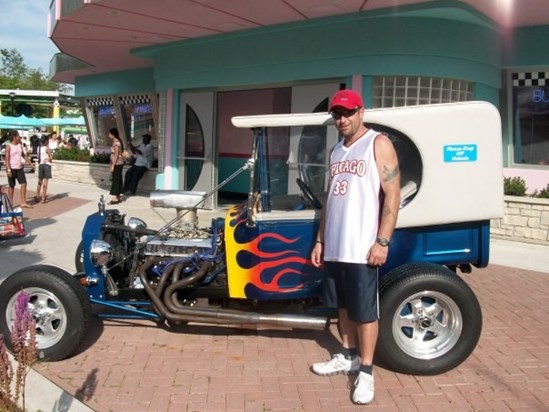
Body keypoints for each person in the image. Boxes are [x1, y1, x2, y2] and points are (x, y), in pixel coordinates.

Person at [310, 90, 400, 405]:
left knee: (365, 312)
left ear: (361, 111)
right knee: (343, 307)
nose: (342, 119)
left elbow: (392, 194)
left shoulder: (377, 143)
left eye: (347, 112)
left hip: (363, 247)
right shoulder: (336, 151)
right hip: (335, 245)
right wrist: (321, 239)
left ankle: (366, 371)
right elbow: (329, 199)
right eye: (336, 114)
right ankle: (347, 356)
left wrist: (382, 240)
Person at [5, 130, 35, 208]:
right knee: (11, 186)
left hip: (19, 167)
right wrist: (8, 170)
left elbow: (23, 155)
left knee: (24, 183)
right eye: (18, 136)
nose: (19, 137)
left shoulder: (19, 145)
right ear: (14, 137)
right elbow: (7, 159)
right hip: (11, 168)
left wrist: (31, 163)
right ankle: (10, 203)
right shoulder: (8, 146)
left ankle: (23, 202)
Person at [108, 128, 124, 204]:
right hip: (116, 163)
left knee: (116, 179)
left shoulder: (117, 143)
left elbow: (116, 155)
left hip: (118, 163)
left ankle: (115, 196)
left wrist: (113, 165)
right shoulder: (115, 142)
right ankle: (118, 196)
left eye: (110, 134)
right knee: (117, 179)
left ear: (113, 134)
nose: (109, 135)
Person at [35, 134, 53, 204]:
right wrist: (48, 158)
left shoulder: (38, 148)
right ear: (46, 141)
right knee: (45, 182)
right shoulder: (46, 148)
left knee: (39, 181)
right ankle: (43, 198)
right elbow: (51, 158)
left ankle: (37, 196)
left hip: (41, 165)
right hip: (47, 165)